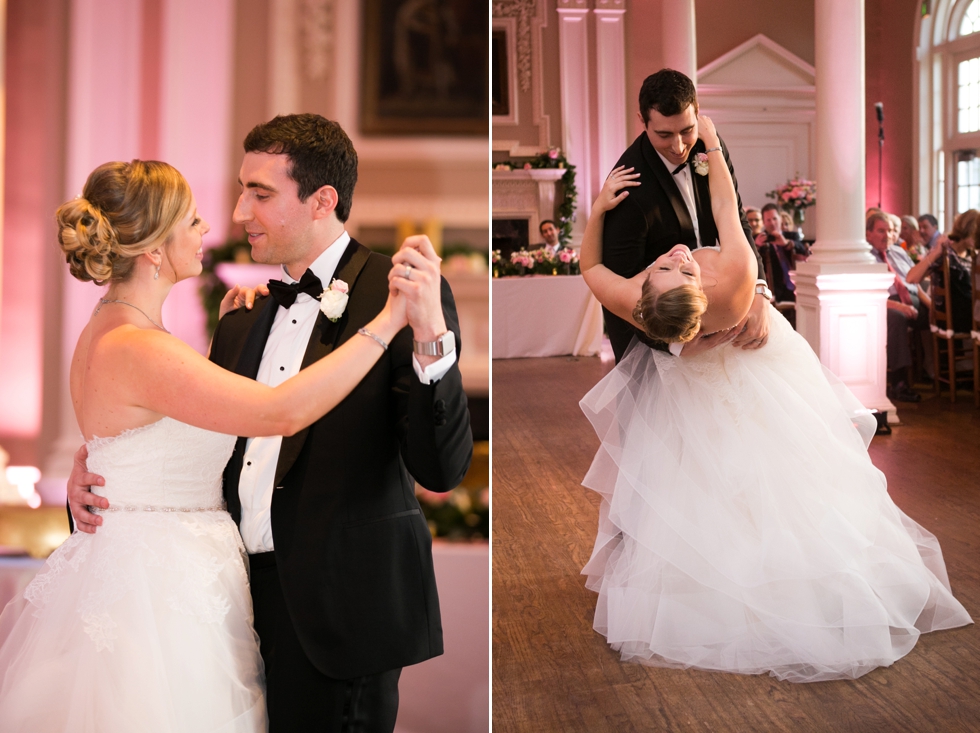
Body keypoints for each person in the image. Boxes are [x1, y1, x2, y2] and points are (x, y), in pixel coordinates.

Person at [0, 156, 440, 731]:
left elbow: (158, 433)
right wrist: (386, 322)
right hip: (162, 601)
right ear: (155, 249)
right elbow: (280, 412)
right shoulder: (140, 348)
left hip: (161, 576)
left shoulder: (114, 332)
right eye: (190, 219)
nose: (210, 226)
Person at [575, 115, 972, 683]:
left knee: (711, 484)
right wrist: (710, 139)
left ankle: (742, 576)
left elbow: (590, 266)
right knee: (777, 474)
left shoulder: (638, 301)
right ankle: (793, 576)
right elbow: (727, 209)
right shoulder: (733, 280)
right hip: (758, 372)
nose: (676, 254)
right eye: (674, 266)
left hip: (692, 387)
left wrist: (596, 213)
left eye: (669, 264)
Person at [600, 68, 772, 363]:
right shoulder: (628, 186)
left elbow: (735, 217)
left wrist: (756, 291)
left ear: (697, 113)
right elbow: (618, 286)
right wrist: (671, 345)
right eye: (664, 134)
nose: (679, 147)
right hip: (666, 343)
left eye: (686, 131)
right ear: (642, 121)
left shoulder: (711, 145)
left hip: (724, 315)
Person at [867, 212, 928, 402]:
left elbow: (915, 284)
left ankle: (935, 372)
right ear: (868, 234)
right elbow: (870, 294)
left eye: (891, 231)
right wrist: (900, 307)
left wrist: (931, 305)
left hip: (912, 298)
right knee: (896, 318)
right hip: (886, 302)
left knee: (941, 316)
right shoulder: (864, 256)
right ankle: (899, 382)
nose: (887, 235)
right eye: (881, 231)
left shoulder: (899, 251)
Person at [754, 203, 804, 303]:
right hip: (774, 290)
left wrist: (786, 244)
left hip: (798, 286)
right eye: (768, 220)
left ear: (780, 218)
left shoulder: (791, 236)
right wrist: (757, 246)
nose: (772, 223)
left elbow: (804, 251)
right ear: (764, 222)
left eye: (774, 218)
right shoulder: (760, 240)